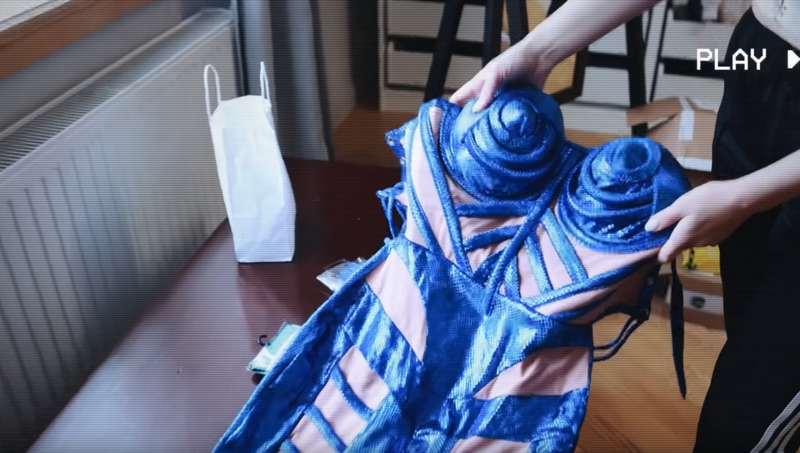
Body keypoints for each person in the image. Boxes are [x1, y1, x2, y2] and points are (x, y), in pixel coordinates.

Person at [451, 1, 800, 451]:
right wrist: (537, 50)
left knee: (747, 409)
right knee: (751, 319)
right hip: (766, 58)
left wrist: (744, 196)